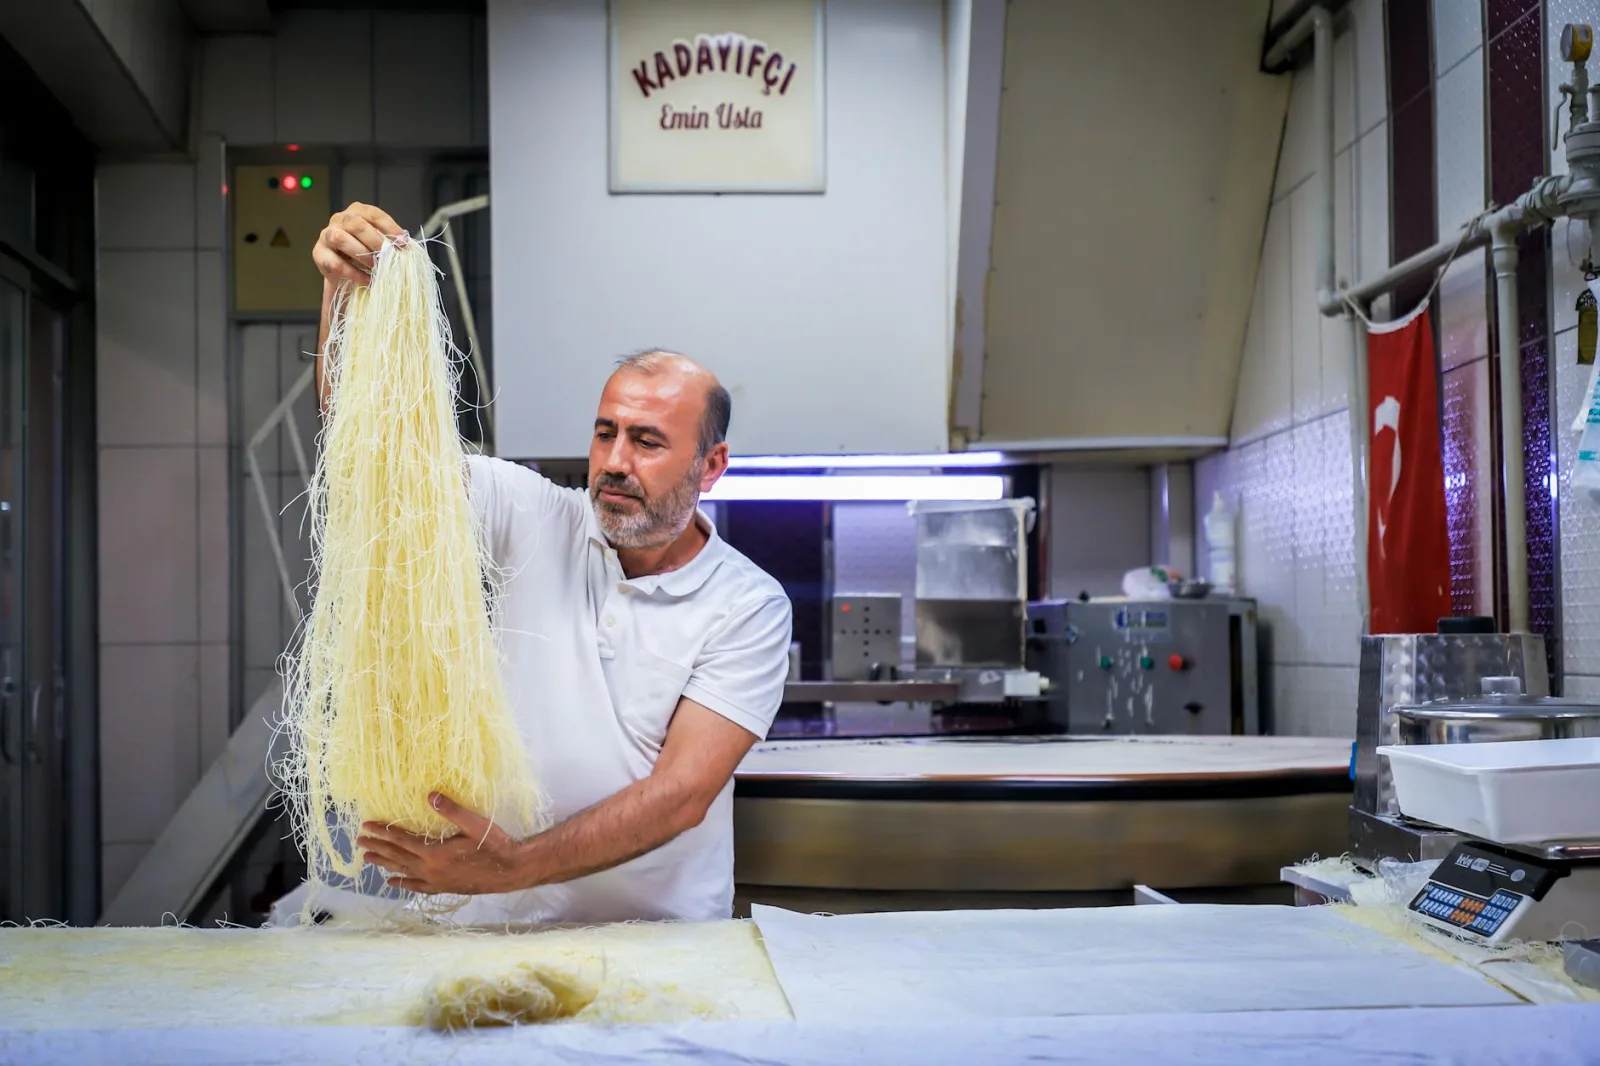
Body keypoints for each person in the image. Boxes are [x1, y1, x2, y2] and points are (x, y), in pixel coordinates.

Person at [308, 203, 794, 923]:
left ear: (711, 464)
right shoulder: (535, 515)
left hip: (662, 950)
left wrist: (513, 868)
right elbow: (380, 466)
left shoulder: (747, 604)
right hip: (493, 936)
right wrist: (343, 297)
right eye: (606, 434)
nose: (615, 463)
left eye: (648, 442)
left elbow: (682, 794)